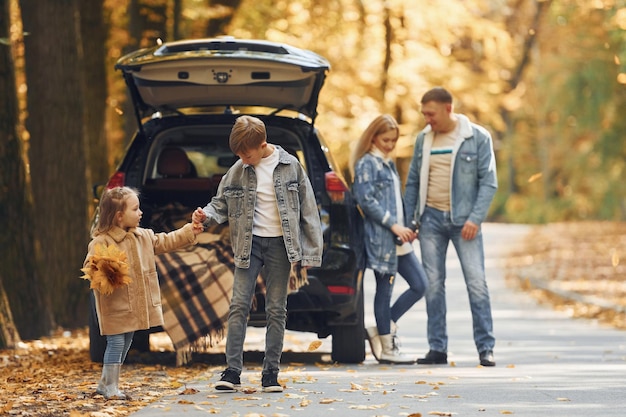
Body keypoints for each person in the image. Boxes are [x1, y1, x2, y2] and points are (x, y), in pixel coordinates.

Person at [192, 115, 323, 393]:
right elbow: (220, 203)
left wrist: (310, 253)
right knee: (238, 305)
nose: (242, 158)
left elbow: (309, 210)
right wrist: (205, 217)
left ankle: (271, 373)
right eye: (238, 153)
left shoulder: (290, 166)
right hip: (248, 245)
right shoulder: (238, 169)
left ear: (263, 145)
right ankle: (232, 371)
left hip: (280, 246)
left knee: (277, 309)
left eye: (246, 153)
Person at [404, 87, 498, 367]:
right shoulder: (424, 139)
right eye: (424, 114)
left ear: (448, 108)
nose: (426, 119)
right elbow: (412, 182)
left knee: (476, 283)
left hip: (464, 221)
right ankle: (437, 348)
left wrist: (475, 218)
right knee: (433, 285)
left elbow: (489, 182)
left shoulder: (476, 137)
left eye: (430, 114)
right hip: (430, 219)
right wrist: (411, 221)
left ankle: (486, 348)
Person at [82, 186, 202, 399]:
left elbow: (166, 240)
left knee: (126, 341)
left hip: (135, 305)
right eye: (135, 209)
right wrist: (103, 268)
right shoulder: (101, 241)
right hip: (115, 306)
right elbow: (91, 266)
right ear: (119, 216)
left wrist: (189, 231)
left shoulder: (143, 236)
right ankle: (110, 386)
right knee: (116, 341)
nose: (141, 213)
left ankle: (105, 383)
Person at [350, 114, 428, 364]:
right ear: (372, 137)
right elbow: (366, 201)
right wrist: (394, 226)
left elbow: (396, 200)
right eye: (386, 140)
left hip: (398, 236)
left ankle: (381, 328)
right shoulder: (367, 164)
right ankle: (388, 347)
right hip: (382, 238)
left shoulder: (387, 163)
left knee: (420, 284)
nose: (390, 145)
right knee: (385, 290)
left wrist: (406, 227)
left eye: (393, 140)